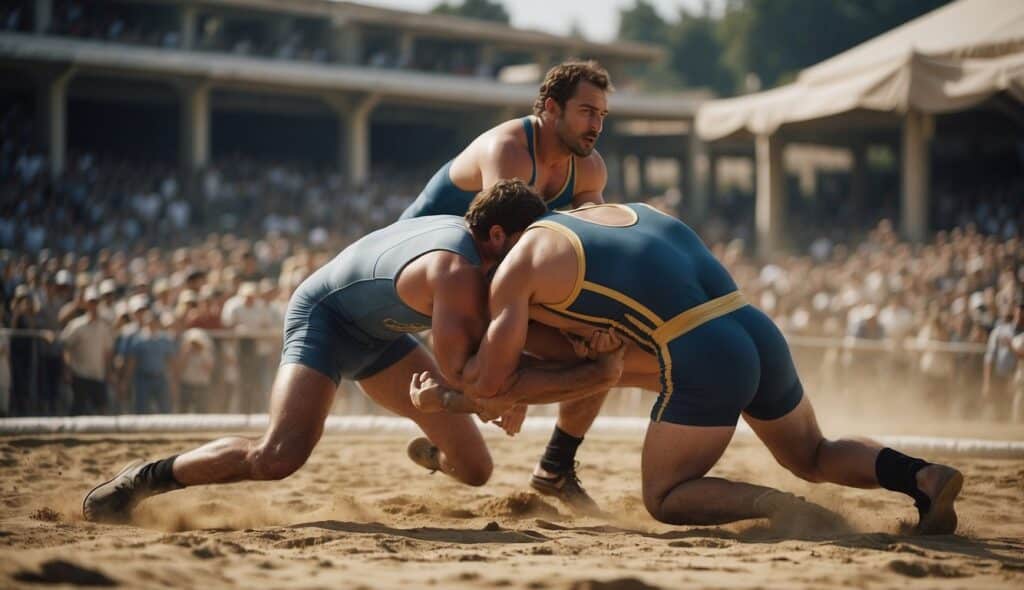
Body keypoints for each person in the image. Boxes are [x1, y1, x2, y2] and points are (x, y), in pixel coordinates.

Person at [413, 198, 963, 535]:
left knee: (665, 496)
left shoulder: (520, 263)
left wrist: (446, 398)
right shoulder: (624, 214)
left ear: (500, 237)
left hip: (701, 351)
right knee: (814, 453)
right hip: (754, 327)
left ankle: (784, 508)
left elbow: (491, 380)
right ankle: (920, 476)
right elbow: (613, 358)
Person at [82, 181, 617, 524]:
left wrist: (572, 356)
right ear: (498, 236)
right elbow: (471, 374)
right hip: (325, 320)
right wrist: (490, 396)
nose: (533, 259)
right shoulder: (455, 271)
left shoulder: (478, 251)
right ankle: (145, 478)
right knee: (278, 457)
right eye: (526, 245)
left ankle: (429, 450)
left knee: (474, 469)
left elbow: (496, 355)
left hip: (380, 335)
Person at [400, 60, 614, 511]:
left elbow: (587, 248)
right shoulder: (509, 150)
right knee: (507, 374)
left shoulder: (589, 169)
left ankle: (556, 466)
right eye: (586, 111)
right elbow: (499, 258)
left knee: (599, 347)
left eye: (601, 115)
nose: (595, 125)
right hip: (425, 271)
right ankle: (457, 399)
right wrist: (509, 369)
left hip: (481, 276)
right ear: (552, 108)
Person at [60, 286, 115, 415]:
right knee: (78, 409)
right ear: (86, 304)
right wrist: (67, 369)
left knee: (103, 409)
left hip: (98, 374)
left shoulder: (104, 326)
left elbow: (108, 351)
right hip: (80, 374)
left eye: (95, 302)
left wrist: (109, 371)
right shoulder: (76, 325)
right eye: (91, 302)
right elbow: (65, 346)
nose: (93, 305)